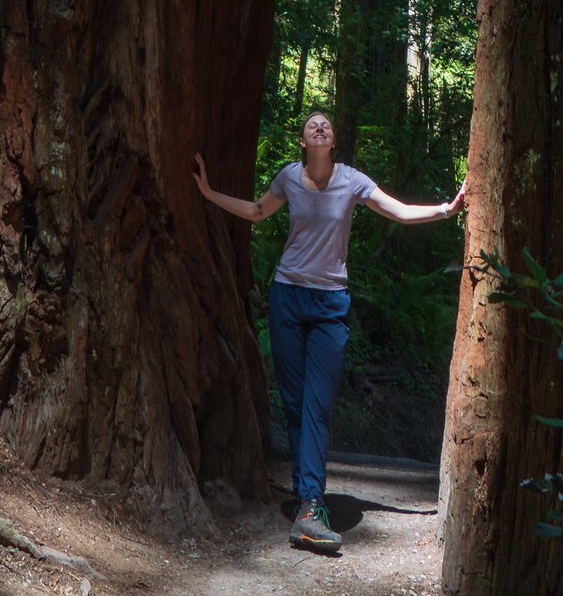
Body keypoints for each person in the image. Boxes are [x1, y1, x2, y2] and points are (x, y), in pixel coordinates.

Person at [194, 110, 464, 554]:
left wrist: (445, 209)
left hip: (329, 306)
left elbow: (395, 209)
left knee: (318, 405)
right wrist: (207, 193)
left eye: (326, 125)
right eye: (311, 125)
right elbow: (258, 211)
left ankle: (311, 503)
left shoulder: (352, 181)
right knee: (297, 404)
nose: (319, 128)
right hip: (287, 298)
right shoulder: (288, 179)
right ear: (302, 141)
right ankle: (307, 499)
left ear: (332, 140)